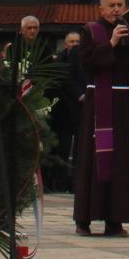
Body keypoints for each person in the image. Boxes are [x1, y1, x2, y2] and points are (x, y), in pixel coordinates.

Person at [74, 0, 129, 234]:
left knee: (122, 161)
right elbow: (86, 62)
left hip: (125, 106)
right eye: (111, 5)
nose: (116, 9)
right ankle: (84, 219)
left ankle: (115, 219)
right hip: (100, 105)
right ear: (101, 9)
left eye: (120, 4)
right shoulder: (91, 30)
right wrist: (110, 44)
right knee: (95, 159)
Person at [46, 30, 83, 193]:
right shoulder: (58, 62)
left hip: (80, 109)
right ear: (65, 44)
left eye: (77, 42)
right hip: (62, 111)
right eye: (72, 42)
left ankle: (75, 182)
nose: (75, 44)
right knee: (62, 149)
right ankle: (59, 182)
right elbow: (60, 85)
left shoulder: (83, 61)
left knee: (78, 149)